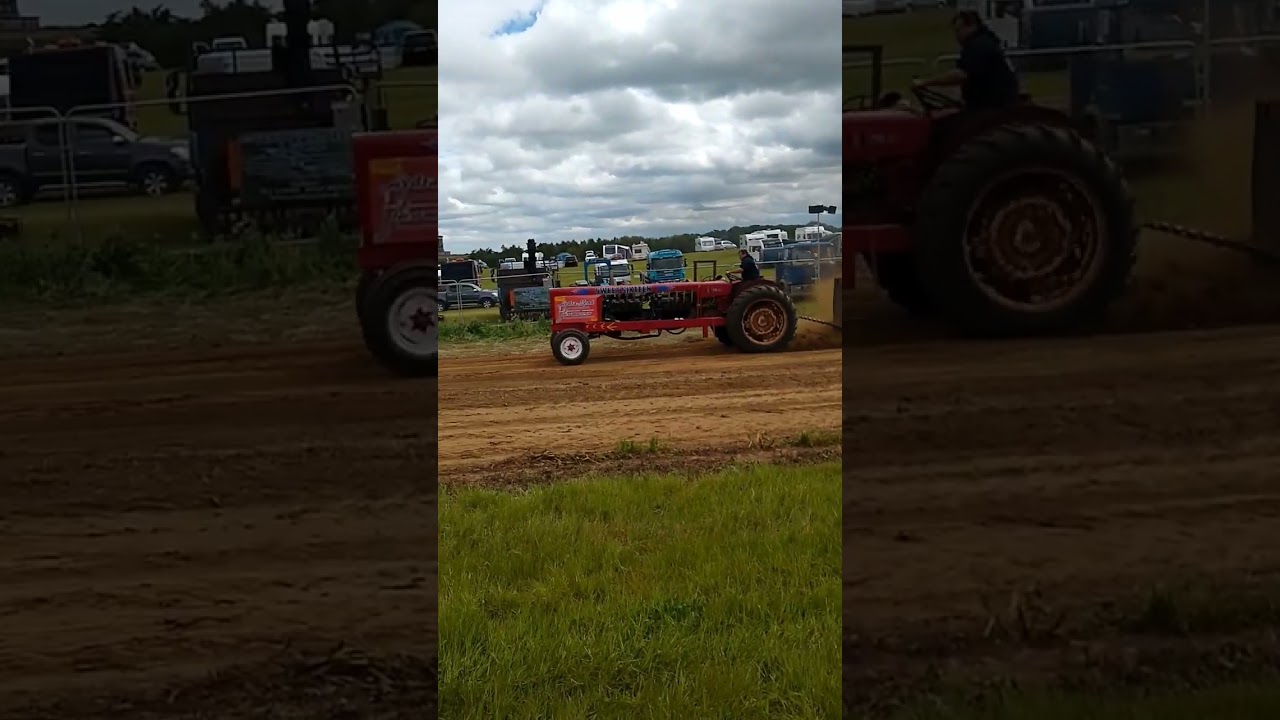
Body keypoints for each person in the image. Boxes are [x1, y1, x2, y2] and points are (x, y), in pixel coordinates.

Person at [913, 11, 1019, 111]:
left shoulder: (979, 46)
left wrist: (926, 82)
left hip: (993, 106)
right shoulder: (983, 42)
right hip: (993, 102)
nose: (956, 36)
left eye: (958, 30)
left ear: (971, 26)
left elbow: (961, 74)